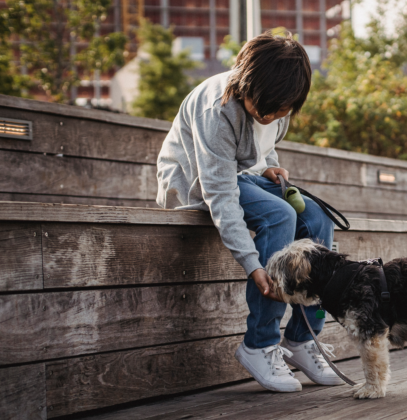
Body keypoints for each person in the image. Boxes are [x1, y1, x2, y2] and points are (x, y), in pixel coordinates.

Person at [155, 32, 343, 392]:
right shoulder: (217, 110)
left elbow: (263, 144)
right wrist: (254, 265)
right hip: (199, 182)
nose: (273, 116)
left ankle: (303, 338)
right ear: (244, 85)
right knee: (280, 216)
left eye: (281, 112)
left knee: (318, 219)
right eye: (265, 110)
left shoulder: (280, 101)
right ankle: (259, 343)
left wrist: (268, 165)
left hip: (246, 178)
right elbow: (221, 193)